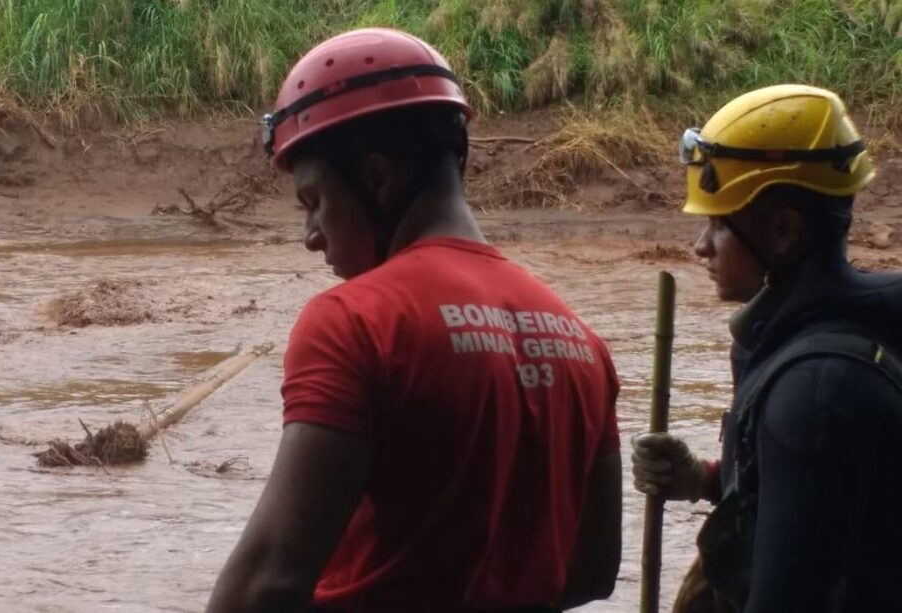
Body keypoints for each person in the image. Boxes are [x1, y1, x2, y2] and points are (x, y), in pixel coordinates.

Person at [206, 28, 622, 613]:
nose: (311, 237)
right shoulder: (581, 341)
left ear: (378, 179)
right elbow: (592, 572)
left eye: (313, 203)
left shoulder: (355, 323)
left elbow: (264, 587)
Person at [631, 84, 902, 612]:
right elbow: (823, 506)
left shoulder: (815, 393)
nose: (700, 247)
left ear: (782, 231)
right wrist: (705, 479)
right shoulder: (848, 331)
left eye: (718, 224)